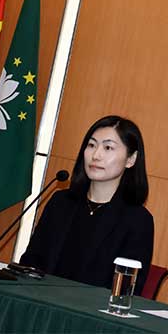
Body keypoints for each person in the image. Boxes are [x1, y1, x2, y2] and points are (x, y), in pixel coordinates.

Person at [20, 115, 154, 294]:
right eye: (91, 145)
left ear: (130, 159)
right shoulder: (60, 203)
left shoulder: (138, 221)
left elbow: (126, 290)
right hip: (42, 301)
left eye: (108, 148)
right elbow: (30, 263)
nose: (96, 155)